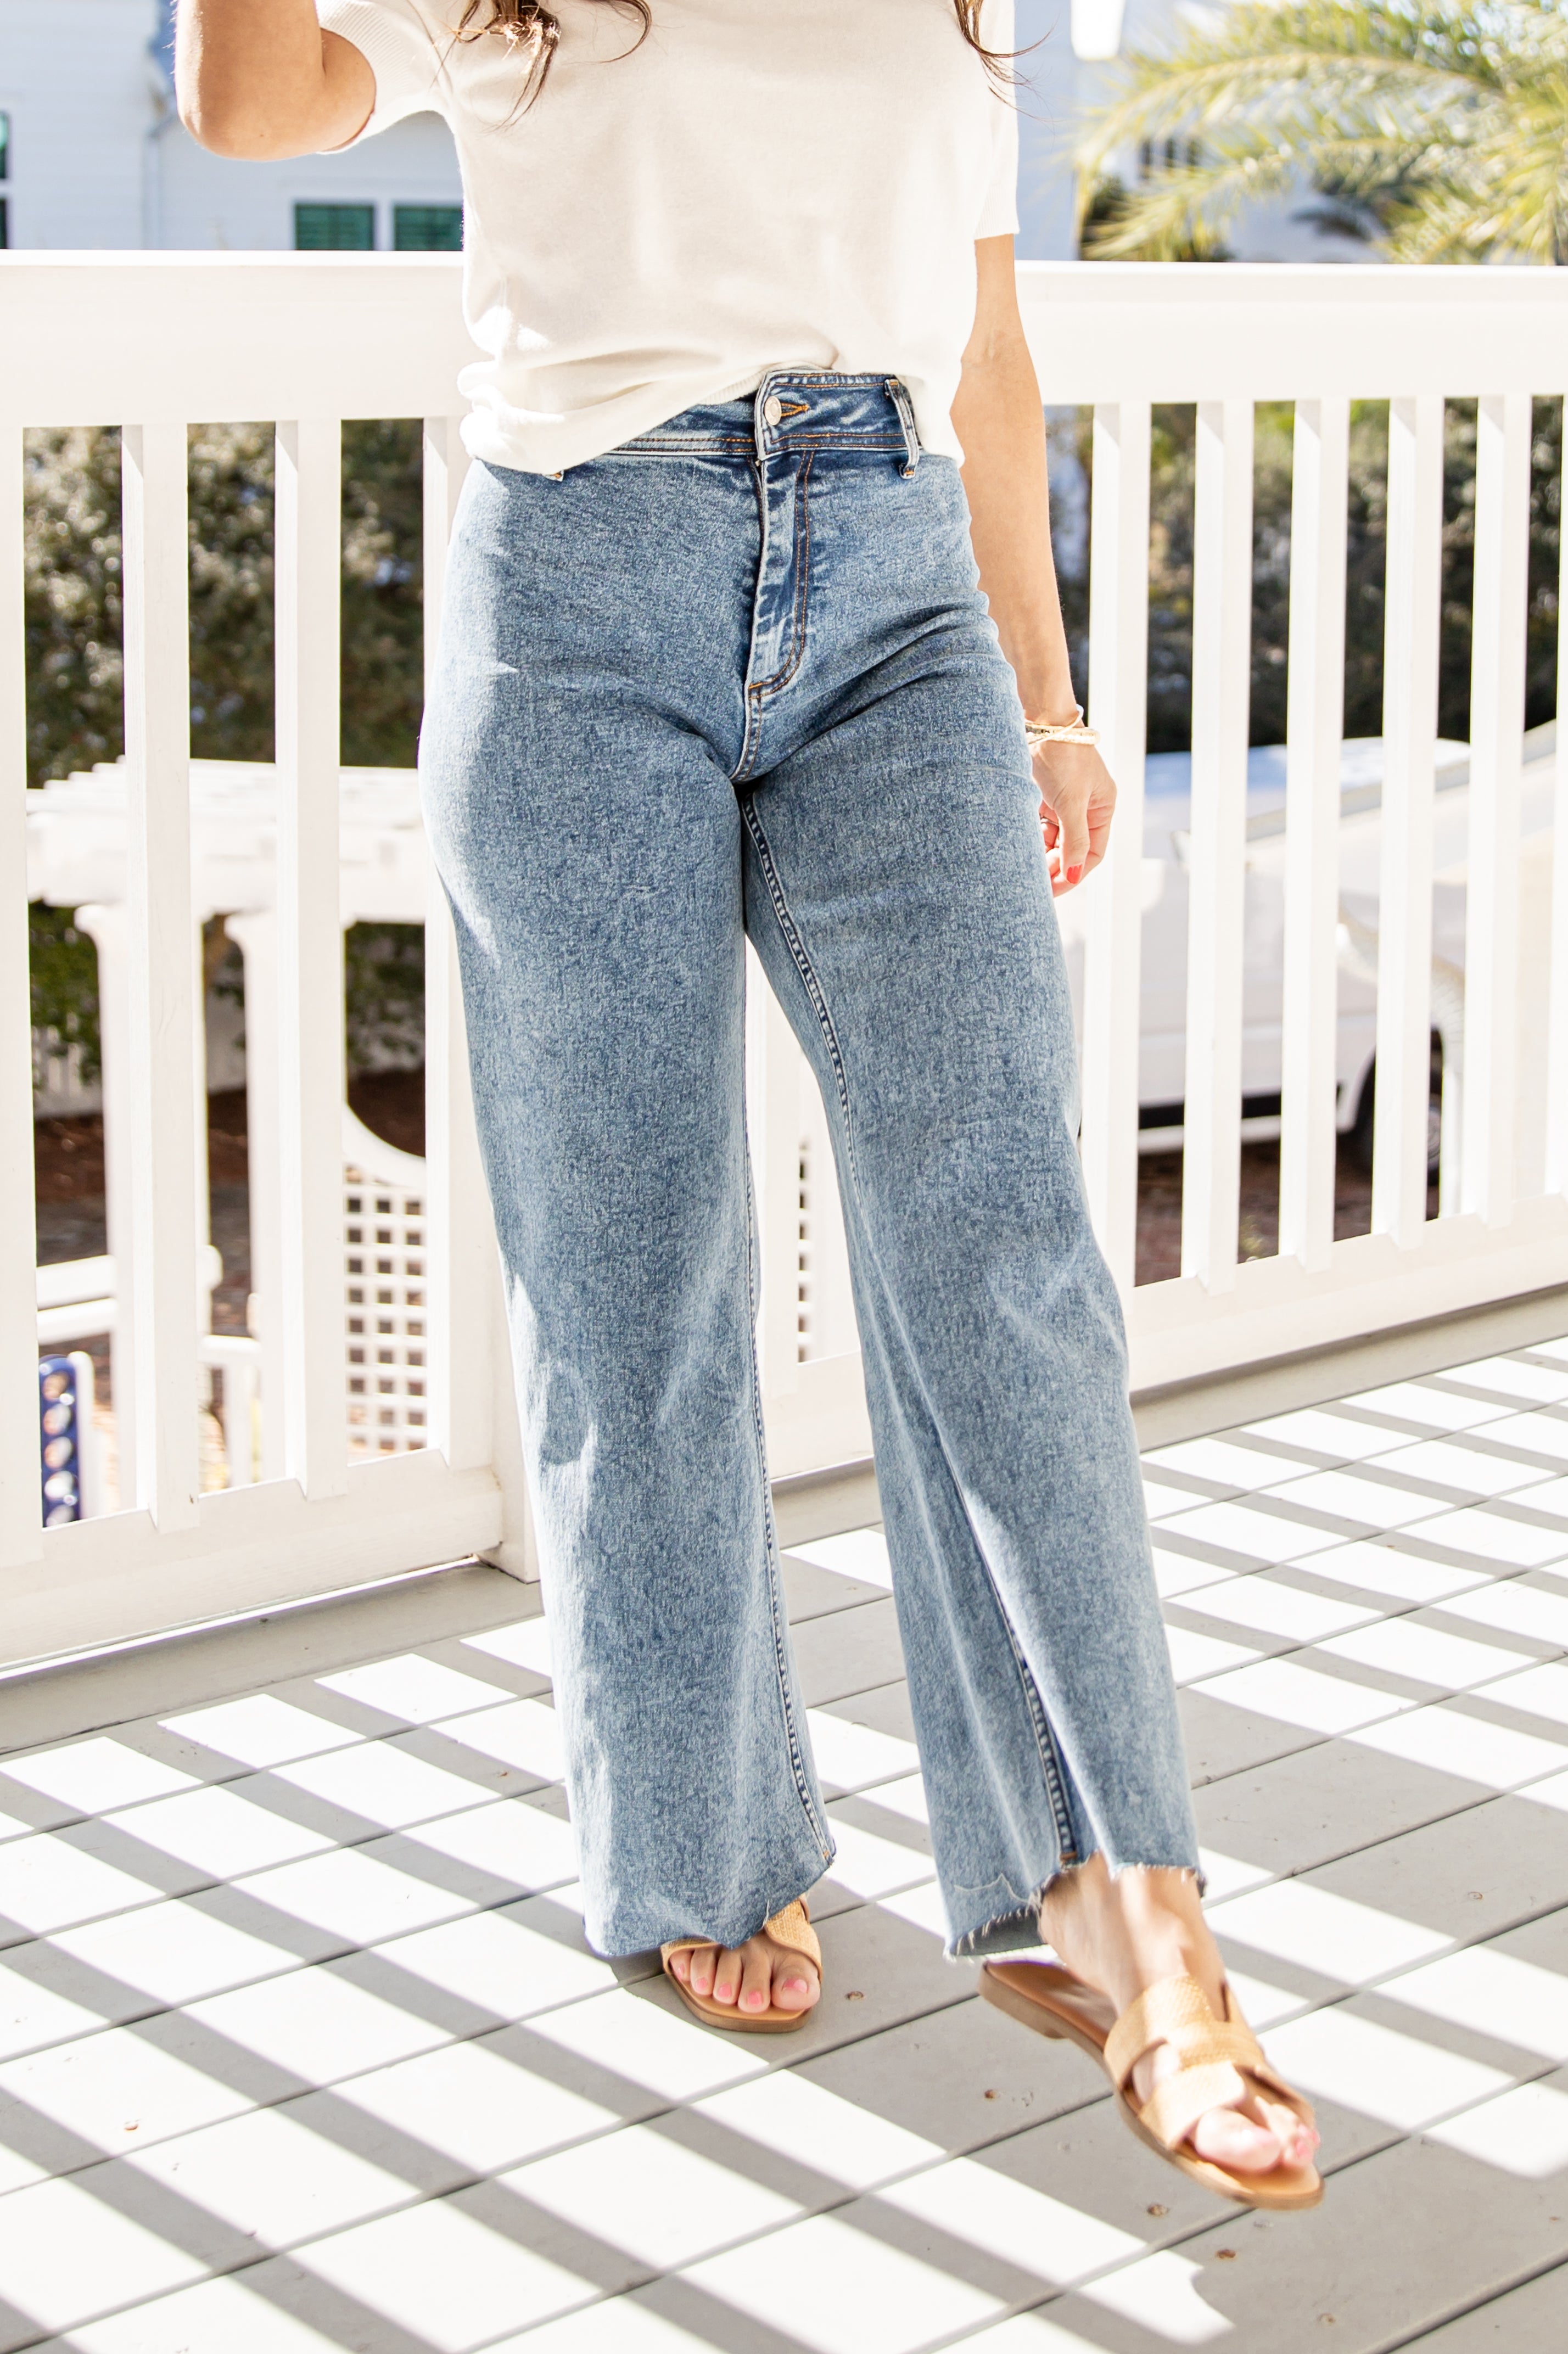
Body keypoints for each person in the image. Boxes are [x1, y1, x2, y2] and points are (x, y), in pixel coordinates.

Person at [178, 0, 1321, 2209]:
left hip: (893, 594)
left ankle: (1123, 1897)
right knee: (634, 1274)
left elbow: (980, 346)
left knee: (1007, 1247)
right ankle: (700, 1838)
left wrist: (1052, 692)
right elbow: (250, 108)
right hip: (578, 598)